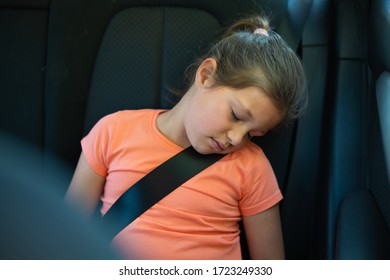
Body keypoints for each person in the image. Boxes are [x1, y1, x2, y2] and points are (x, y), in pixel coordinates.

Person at [65, 15, 307, 260]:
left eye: (253, 134)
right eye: (236, 115)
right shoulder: (113, 132)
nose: (236, 138)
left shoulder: (251, 167)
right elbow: (65, 237)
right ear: (205, 75)